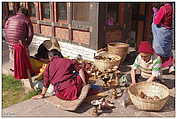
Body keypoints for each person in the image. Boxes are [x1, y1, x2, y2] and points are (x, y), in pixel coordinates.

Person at [4, 7, 34, 73]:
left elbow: (5, 29)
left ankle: (13, 68)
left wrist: (7, 40)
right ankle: (25, 69)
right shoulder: (26, 19)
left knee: (12, 53)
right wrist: (27, 44)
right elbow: (30, 33)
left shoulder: (10, 18)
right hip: (20, 41)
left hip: (9, 40)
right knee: (25, 54)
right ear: (26, 13)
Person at [151, 3, 174, 72]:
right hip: (169, 31)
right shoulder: (172, 8)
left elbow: (156, 21)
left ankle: (157, 68)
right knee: (168, 50)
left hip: (162, 32)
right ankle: (171, 66)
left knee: (158, 50)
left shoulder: (164, 8)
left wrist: (156, 13)